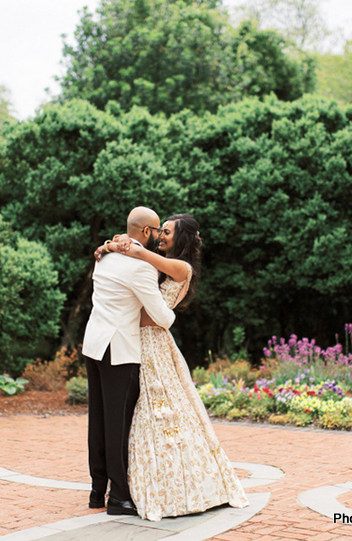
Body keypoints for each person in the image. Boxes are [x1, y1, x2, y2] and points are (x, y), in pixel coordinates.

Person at [98, 213, 248, 521]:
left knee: (160, 409)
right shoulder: (157, 261)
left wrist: (119, 244)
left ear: (181, 238)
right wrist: (109, 247)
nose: (161, 236)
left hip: (153, 342)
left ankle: (174, 484)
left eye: (166, 233)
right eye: (160, 231)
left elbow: (139, 252)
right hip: (133, 339)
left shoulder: (181, 267)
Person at [81, 206, 176, 516]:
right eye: (157, 229)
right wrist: (174, 310)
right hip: (118, 351)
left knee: (98, 420)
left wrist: (112, 244)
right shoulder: (141, 268)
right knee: (117, 424)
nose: (160, 234)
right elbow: (162, 317)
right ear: (145, 232)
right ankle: (119, 497)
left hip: (94, 344)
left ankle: (98, 490)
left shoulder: (104, 257)